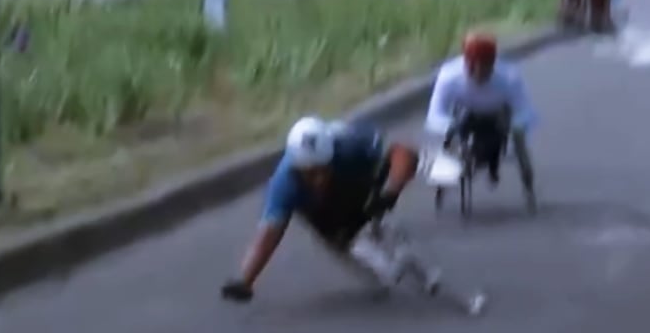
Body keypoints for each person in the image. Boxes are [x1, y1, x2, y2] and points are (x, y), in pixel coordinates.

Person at [220, 116, 427, 302]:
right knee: (339, 238)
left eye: (322, 169)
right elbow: (268, 235)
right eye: (310, 173)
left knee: (376, 179)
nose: (318, 179)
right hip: (319, 208)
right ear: (297, 169)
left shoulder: (350, 141)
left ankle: (378, 222)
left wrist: (391, 193)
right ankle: (353, 245)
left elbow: (404, 153)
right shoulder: (283, 185)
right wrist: (246, 280)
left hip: (354, 178)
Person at [424, 32, 537, 206]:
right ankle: (442, 182)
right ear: (467, 64)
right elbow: (435, 114)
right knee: (448, 139)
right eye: (476, 68)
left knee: (519, 140)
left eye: (487, 67)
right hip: (466, 111)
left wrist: (515, 126)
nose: (481, 73)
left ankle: (528, 187)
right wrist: (449, 127)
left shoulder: (509, 77)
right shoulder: (449, 76)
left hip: (498, 111)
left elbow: (525, 111)